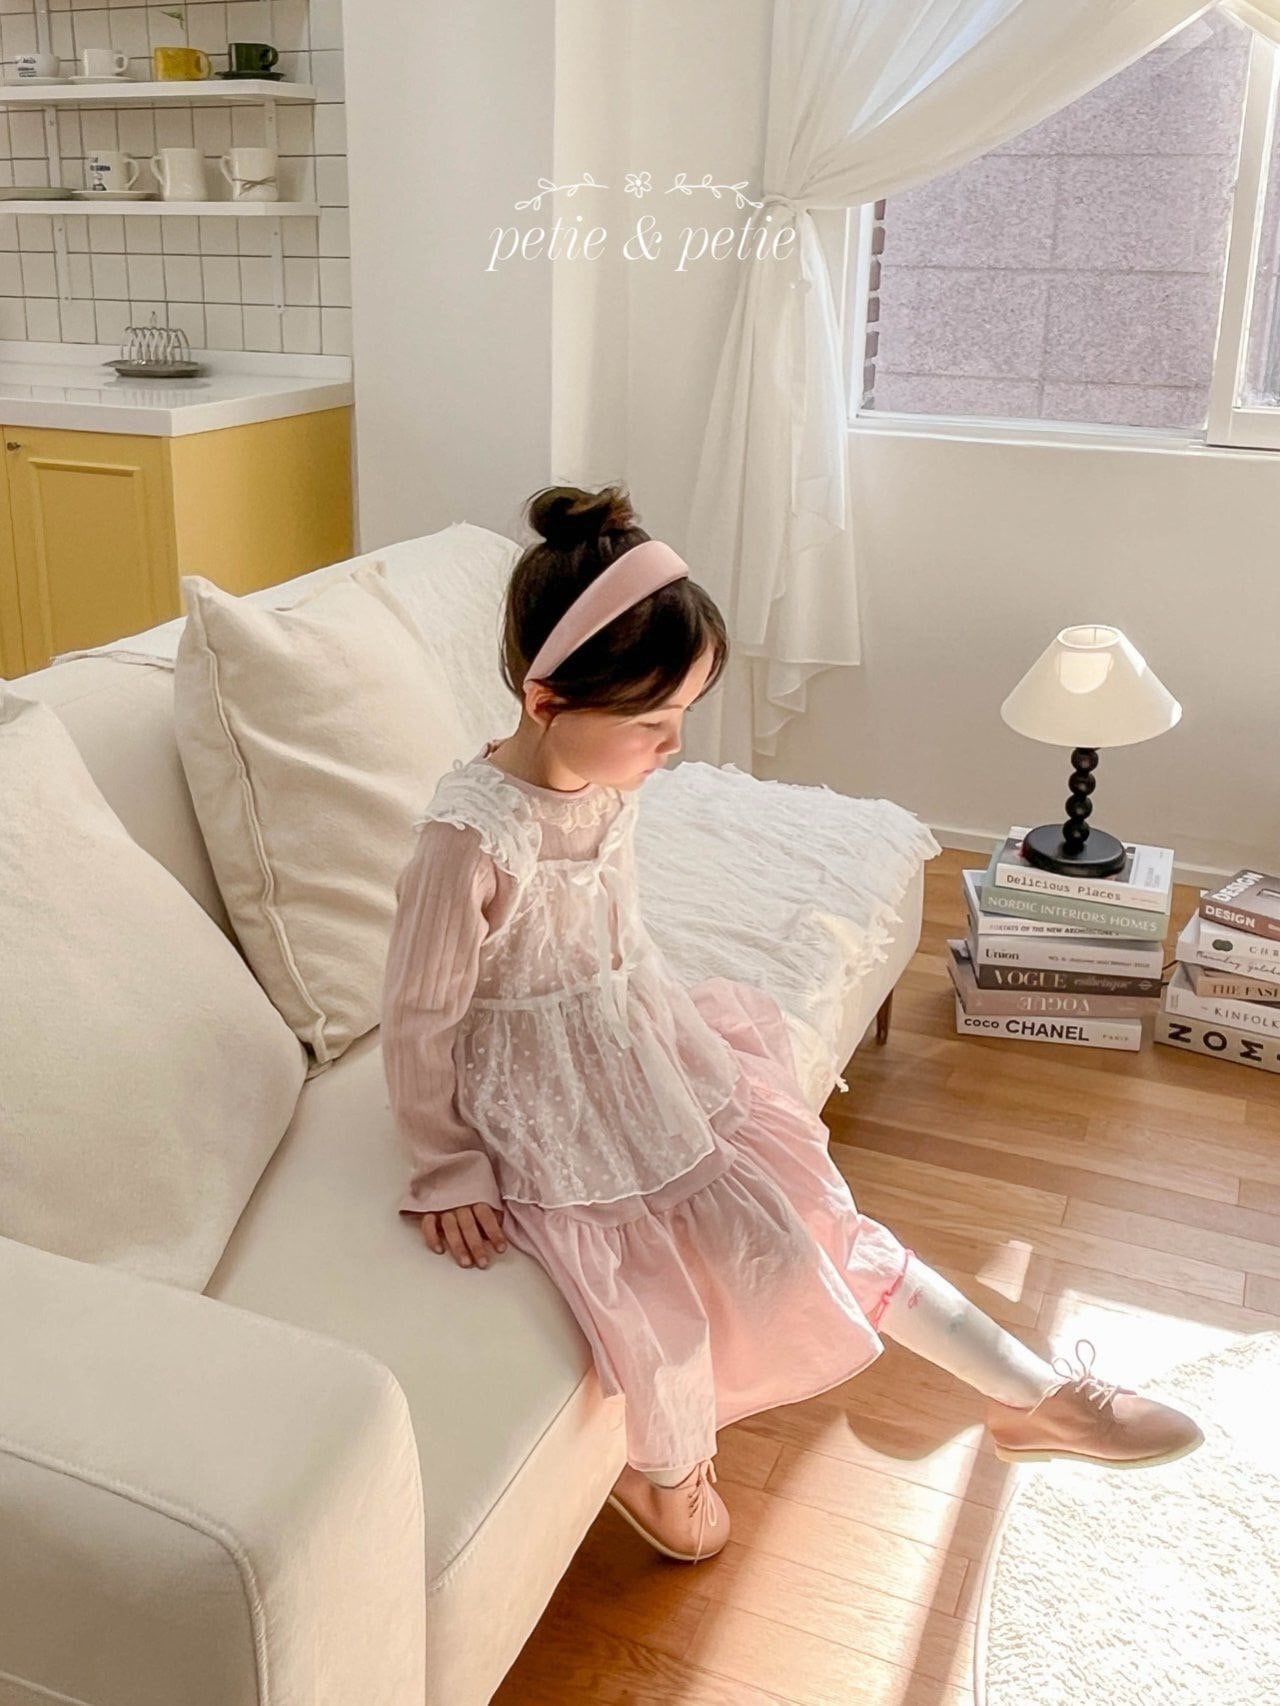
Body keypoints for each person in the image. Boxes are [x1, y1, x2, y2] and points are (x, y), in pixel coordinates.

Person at [381, 483, 1203, 1567]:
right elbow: (419, 1011)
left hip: (636, 1039)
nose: (672, 747)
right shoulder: (468, 840)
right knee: (649, 1290)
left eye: (683, 715)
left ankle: (1033, 1392)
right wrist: (446, 1164)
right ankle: (669, 1475)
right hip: (541, 1090)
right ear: (544, 700)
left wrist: (648, 1026)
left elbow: (607, 929)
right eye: (651, 724)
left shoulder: (606, 779)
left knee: (805, 1213)